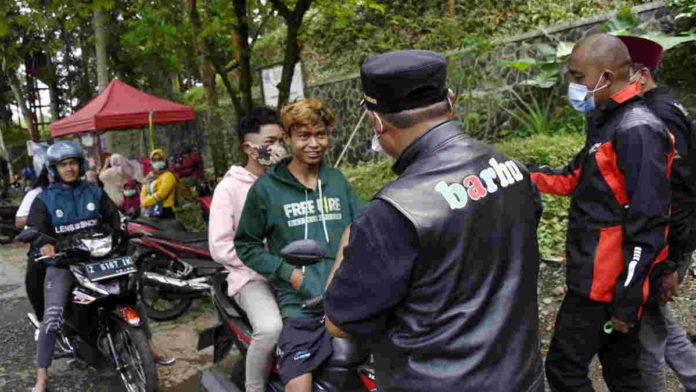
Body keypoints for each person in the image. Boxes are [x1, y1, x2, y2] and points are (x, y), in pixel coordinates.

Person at [322, 49, 544, 392]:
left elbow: (340, 323)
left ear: (377, 122)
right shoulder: (512, 170)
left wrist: (349, 241)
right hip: (521, 379)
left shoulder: (393, 211)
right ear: (450, 100)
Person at [529, 34, 673, 391]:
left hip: (606, 284)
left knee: (565, 369)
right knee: (623, 372)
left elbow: (650, 221)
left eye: (578, 78)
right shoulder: (606, 119)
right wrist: (516, 172)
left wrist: (627, 297)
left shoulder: (637, 130)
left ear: (606, 78)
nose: (573, 86)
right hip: (596, 274)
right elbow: (572, 178)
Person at [235, 99, 365, 392]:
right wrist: (289, 274)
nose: (314, 143)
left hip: (345, 299)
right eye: (304, 136)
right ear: (288, 137)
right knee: (299, 385)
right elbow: (246, 245)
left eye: (320, 134)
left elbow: (365, 225)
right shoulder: (267, 189)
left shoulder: (336, 180)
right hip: (301, 308)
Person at [26, 141, 173, 392]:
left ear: (80, 165)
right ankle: (41, 377)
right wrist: (44, 244)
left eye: (73, 163)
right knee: (51, 318)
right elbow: (36, 229)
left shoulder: (94, 191)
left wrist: (130, 228)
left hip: (100, 260)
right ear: (54, 169)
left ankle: (148, 347)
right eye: (63, 164)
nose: (69, 168)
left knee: (130, 297)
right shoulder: (44, 199)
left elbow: (116, 218)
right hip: (63, 264)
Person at [616, 35, 696, 392]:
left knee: (646, 340)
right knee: (657, 323)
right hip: (663, 240)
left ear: (642, 75)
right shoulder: (665, 107)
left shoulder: (656, 115)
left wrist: (669, 263)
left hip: (661, 243)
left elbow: (675, 194)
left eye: (616, 75)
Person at [209, 106, 287, 392]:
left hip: (293, 271)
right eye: (269, 142)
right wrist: (265, 262)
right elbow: (219, 246)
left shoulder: (285, 180)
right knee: (270, 329)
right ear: (248, 147)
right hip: (251, 277)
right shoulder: (229, 189)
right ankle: (255, 387)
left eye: (280, 140)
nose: (277, 148)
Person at [16, 168, 53, 321]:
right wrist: (42, 215)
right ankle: (43, 319)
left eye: (72, 164)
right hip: (43, 241)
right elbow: (19, 221)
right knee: (35, 278)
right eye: (59, 167)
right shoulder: (36, 194)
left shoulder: (82, 190)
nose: (67, 170)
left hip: (74, 240)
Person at [140, 149, 177, 219]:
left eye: (159, 159)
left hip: (165, 210)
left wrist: (145, 203)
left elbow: (161, 194)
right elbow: (143, 191)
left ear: (164, 160)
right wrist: (143, 201)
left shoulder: (168, 175)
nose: (157, 162)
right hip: (150, 210)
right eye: (154, 160)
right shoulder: (150, 176)